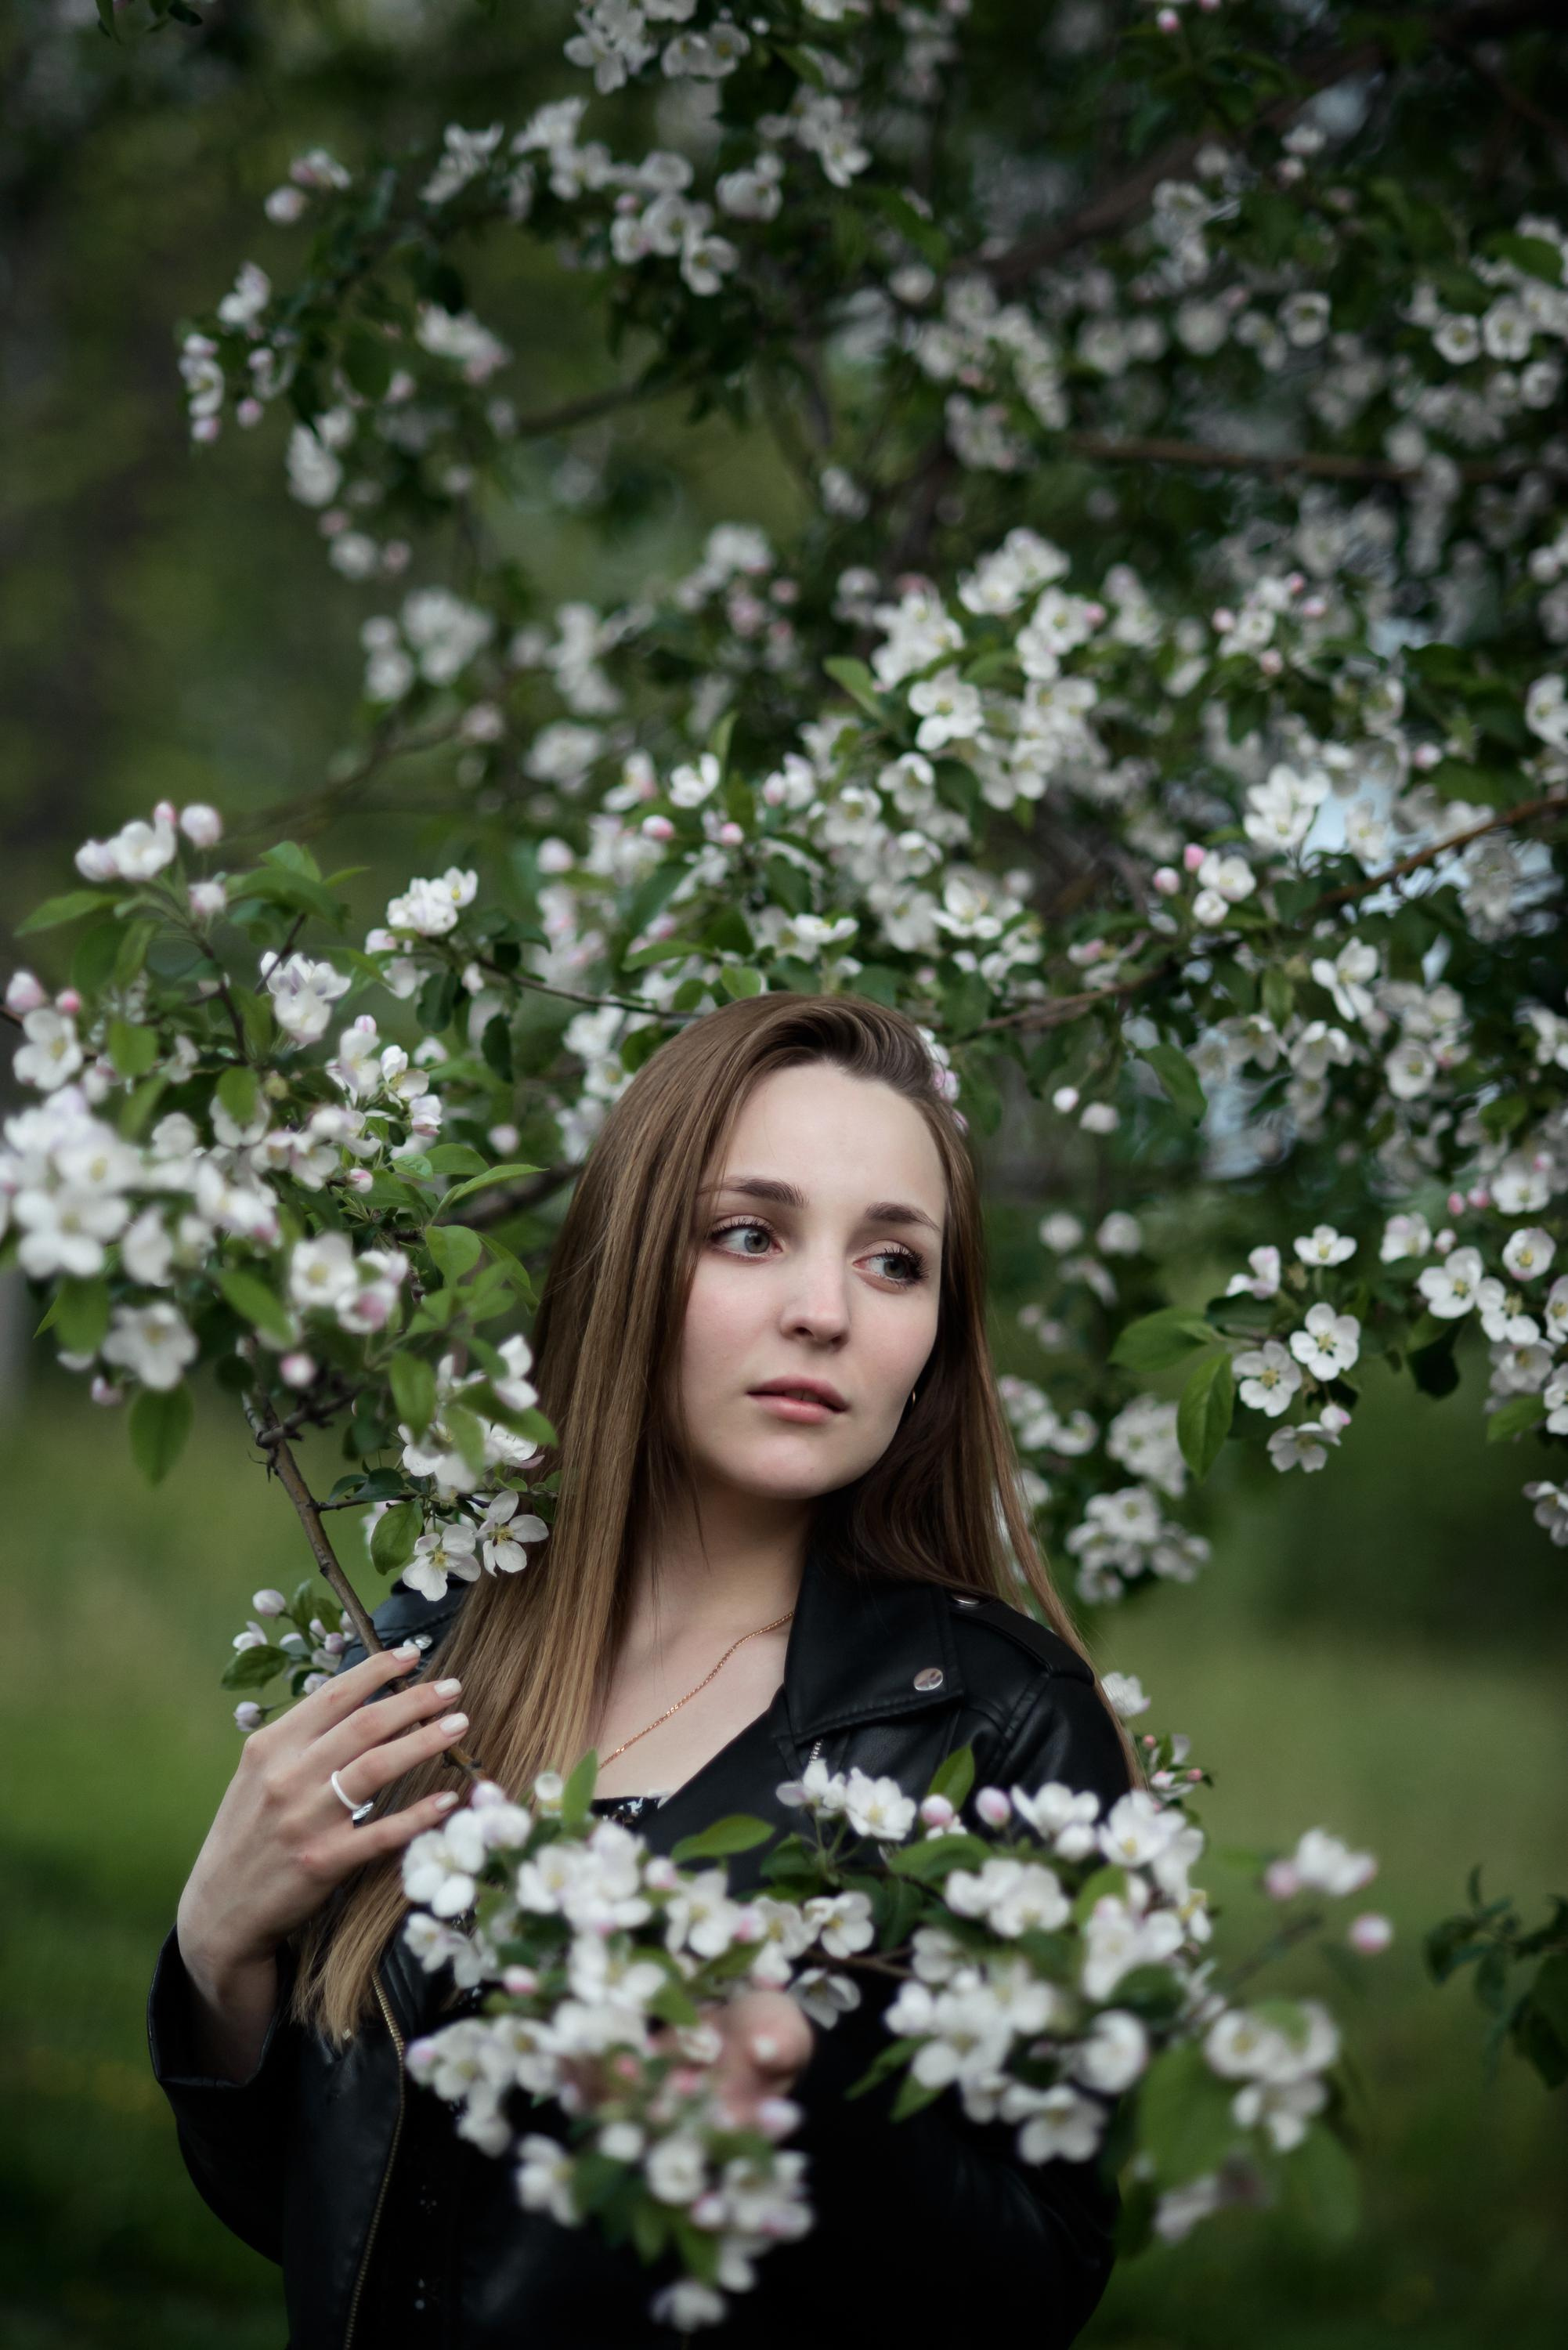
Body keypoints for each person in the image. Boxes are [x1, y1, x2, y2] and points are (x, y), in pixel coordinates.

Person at [150, 990, 1134, 2348]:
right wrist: (217, 1949)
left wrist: (808, 2094)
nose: (823, 1312)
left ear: (935, 1346)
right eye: (750, 1234)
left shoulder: (997, 1731)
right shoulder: (440, 1637)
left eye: (894, 1262)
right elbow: (327, 2212)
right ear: (627, 1266)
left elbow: (1037, 2286)